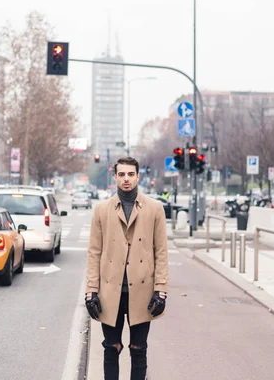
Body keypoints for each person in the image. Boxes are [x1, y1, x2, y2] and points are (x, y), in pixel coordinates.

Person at [85, 156, 169, 380]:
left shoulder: (154, 209)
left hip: (142, 292)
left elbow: (161, 252)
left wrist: (161, 290)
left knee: (139, 350)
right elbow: (94, 252)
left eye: (131, 174)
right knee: (111, 349)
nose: (126, 179)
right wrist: (91, 291)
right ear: (115, 177)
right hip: (110, 292)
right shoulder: (102, 210)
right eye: (121, 174)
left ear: (138, 176)